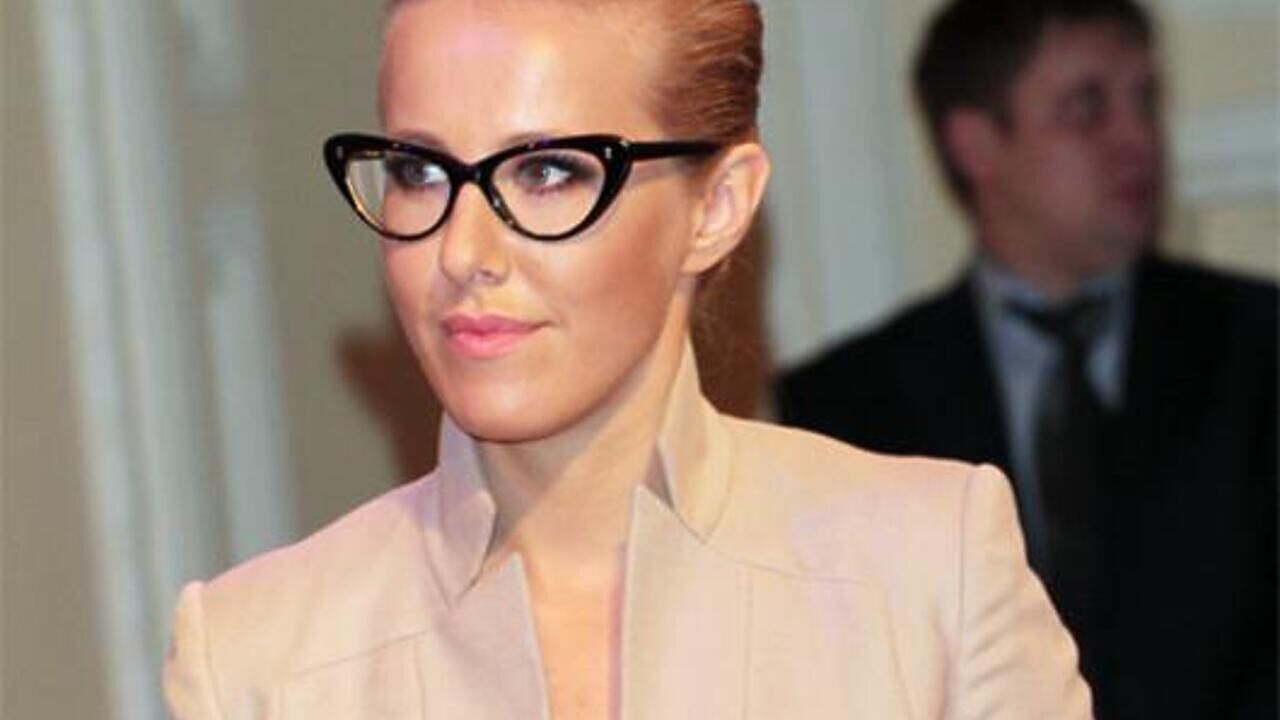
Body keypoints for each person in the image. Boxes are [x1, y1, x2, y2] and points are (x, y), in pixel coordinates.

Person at [163, 0, 1091, 717]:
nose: (463, 251)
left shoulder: (928, 572)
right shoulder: (256, 660)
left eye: (548, 170)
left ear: (717, 207)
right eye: (420, 171)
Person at [776, 1, 1278, 718]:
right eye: (1086, 109)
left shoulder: (1259, 347)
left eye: (1145, 101)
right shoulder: (847, 405)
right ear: (977, 144)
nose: (1137, 138)